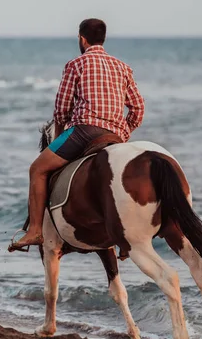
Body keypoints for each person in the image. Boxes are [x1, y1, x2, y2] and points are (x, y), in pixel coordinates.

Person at [9, 18, 145, 251]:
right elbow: (137, 109)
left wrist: (61, 134)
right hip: (115, 135)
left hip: (84, 132)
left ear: (82, 39)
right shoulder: (122, 67)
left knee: (37, 169)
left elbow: (61, 110)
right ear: (103, 38)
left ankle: (33, 231)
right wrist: (123, 133)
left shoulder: (76, 65)